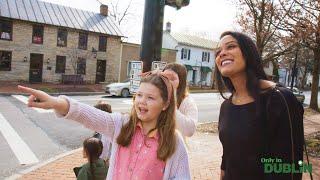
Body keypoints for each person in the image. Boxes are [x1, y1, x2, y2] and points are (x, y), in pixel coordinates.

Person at [18, 70, 191, 180]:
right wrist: (56, 103)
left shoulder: (174, 142)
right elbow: (87, 114)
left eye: (150, 98)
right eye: (139, 95)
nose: (142, 102)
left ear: (166, 104)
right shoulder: (120, 124)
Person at [215, 31, 304, 180]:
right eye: (218, 52)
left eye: (230, 46)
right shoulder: (226, 107)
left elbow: (291, 167)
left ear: (248, 53)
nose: (222, 54)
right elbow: (227, 157)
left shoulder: (280, 99)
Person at [163, 63, 198, 138]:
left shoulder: (187, 101)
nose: (167, 82)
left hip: (175, 146)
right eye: (164, 78)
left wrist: (172, 105)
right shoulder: (156, 97)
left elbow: (190, 131)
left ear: (181, 81)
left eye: (172, 79)